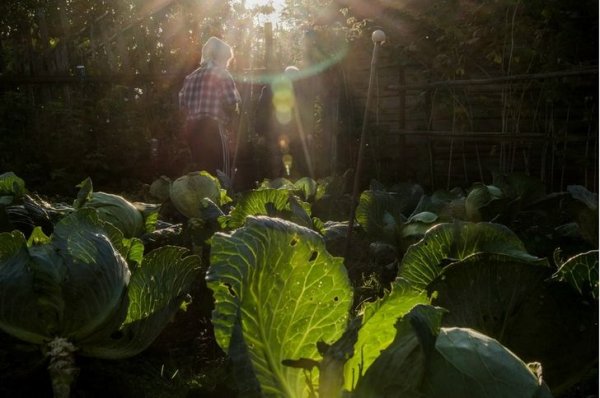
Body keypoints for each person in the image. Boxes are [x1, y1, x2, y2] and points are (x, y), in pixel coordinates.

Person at [179, 36, 241, 179]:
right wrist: (236, 110)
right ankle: (223, 199)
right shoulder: (222, 74)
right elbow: (230, 103)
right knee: (221, 171)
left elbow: (182, 105)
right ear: (220, 56)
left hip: (192, 128)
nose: (227, 64)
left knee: (201, 169)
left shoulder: (190, 77)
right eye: (226, 60)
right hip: (213, 128)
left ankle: (203, 200)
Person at [255, 66, 313, 179]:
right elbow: (262, 112)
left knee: (292, 164)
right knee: (277, 164)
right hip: (276, 135)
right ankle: (277, 187)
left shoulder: (300, 92)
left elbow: (305, 113)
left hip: (293, 136)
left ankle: (290, 189)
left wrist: (308, 132)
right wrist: (261, 133)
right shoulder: (271, 90)